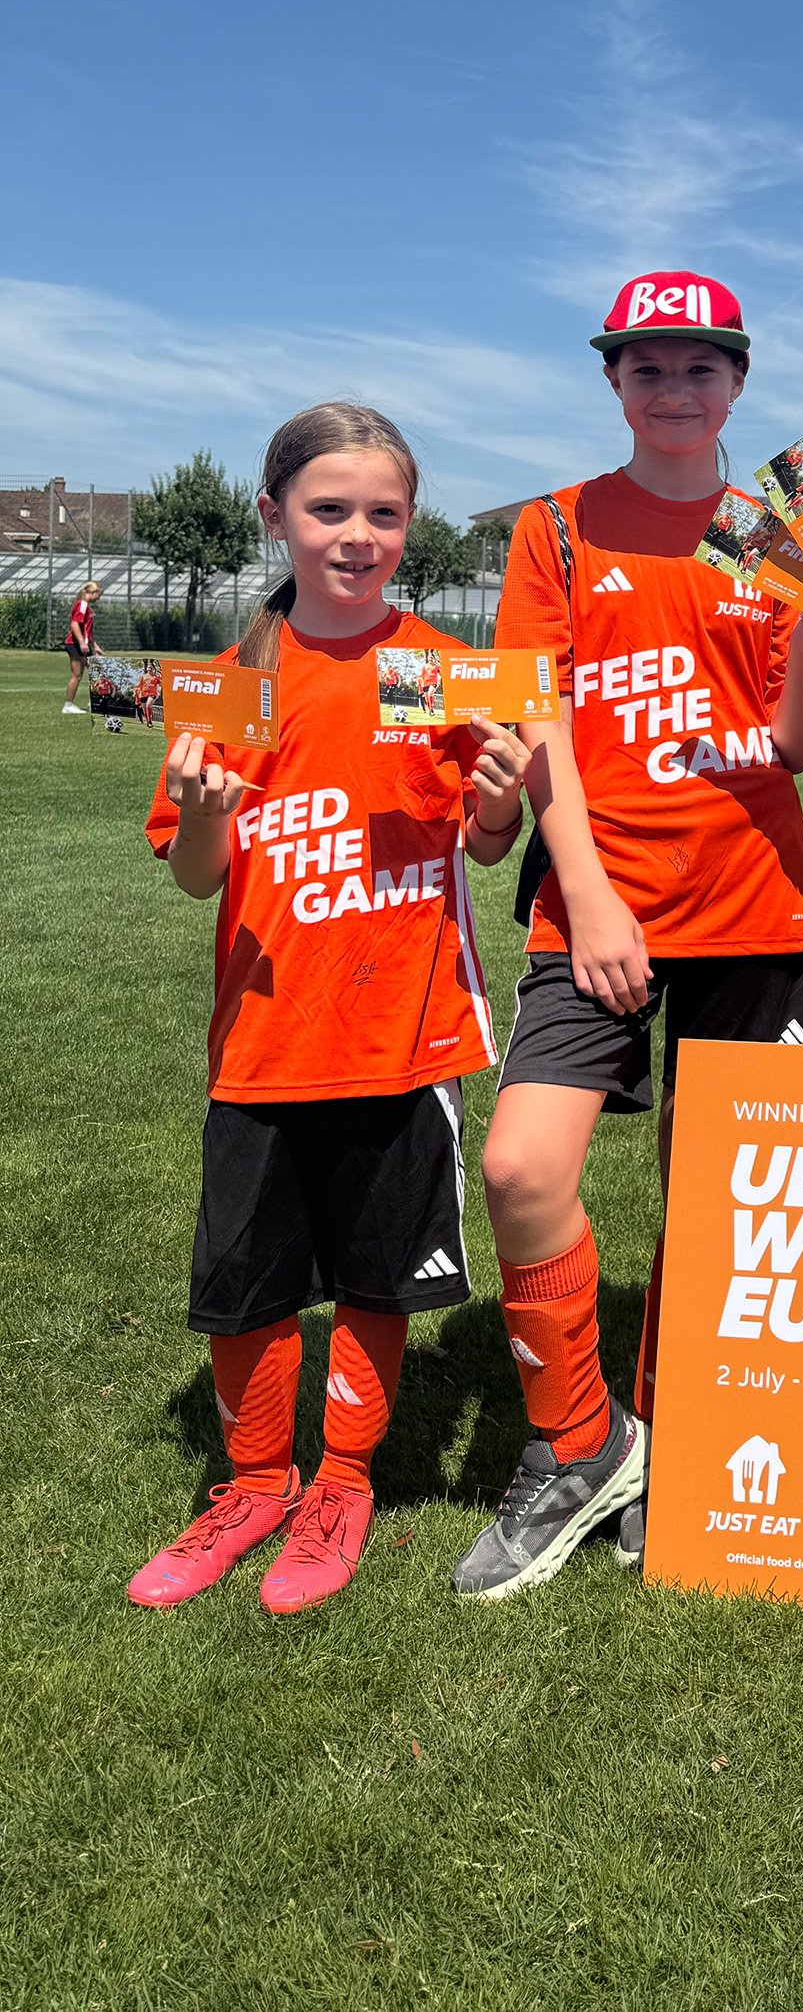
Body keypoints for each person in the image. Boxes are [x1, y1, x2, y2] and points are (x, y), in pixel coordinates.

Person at [452, 272, 803, 1600]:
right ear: (615, 382)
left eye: (703, 367)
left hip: (754, 899)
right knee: (523, 1165)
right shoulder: (560, 526)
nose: (677, 388)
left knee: (731, 1195)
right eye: (650, 366)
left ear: (738, 384)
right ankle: (583, 1442)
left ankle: (684, 1431)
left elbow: (792, 744)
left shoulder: (768, 528)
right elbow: (537, 721)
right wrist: (584, 889)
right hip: (596, 900)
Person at [129, 405, 530, 1616]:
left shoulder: (441, 674)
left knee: (374, 1277)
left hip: (399, 1037)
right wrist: (205, 805)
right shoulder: (234, 684)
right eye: (329, 510)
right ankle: (252, 1483)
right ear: (275, 518)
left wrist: (504, 797)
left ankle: (341, 1482)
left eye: (384, 513)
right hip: (260, 1039)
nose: (358, 536)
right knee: (243, 1283)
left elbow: (485, 844)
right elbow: (199, 871)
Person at [61, 578, 102, 714]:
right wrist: (81, 642)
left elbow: (88, 630)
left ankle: (94, 703)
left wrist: (94, 646)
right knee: (77, 675)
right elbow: (74, 624)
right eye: (99, 595)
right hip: (74, 644)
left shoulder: (86, 606)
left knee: (95, 672)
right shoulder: (82, 605)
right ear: (93, 592)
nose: (99, 598)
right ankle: (68, 706)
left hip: (83, 644)